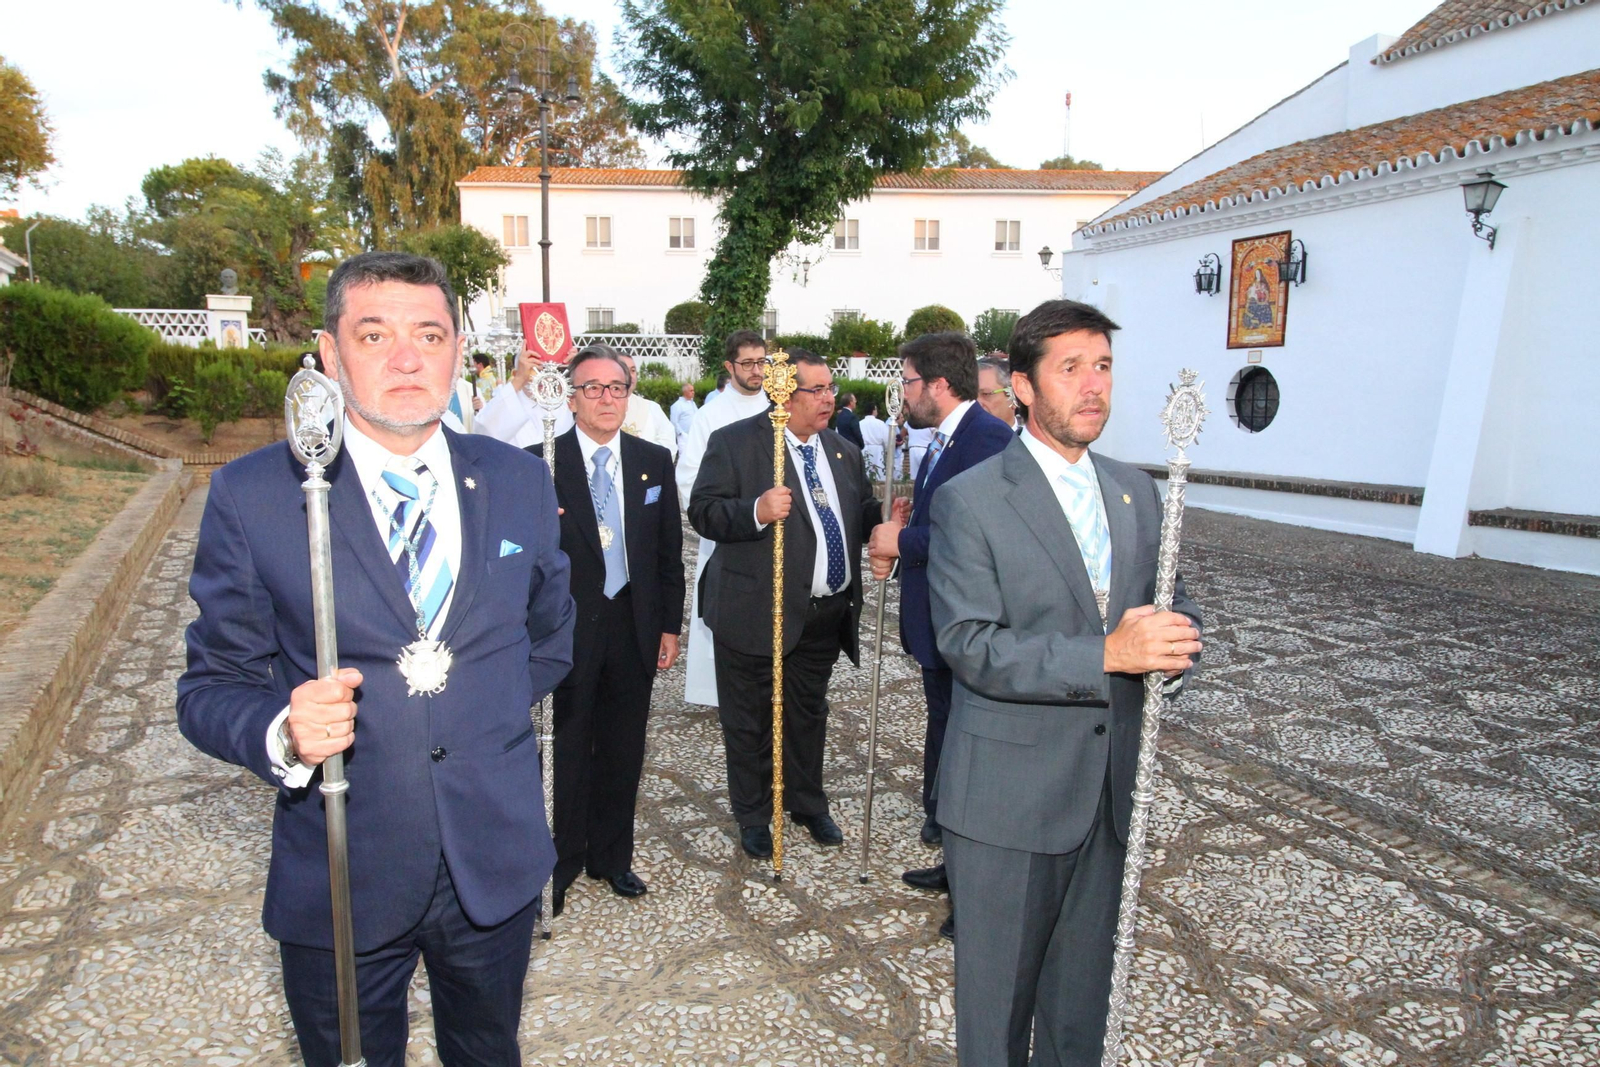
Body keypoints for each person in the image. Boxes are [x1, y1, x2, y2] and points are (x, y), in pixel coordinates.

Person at [176, 251, 575, 1067]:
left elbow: (549, 634)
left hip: (490, 857)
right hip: (342, 864)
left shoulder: (519, 480)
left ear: (459, 351)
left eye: (430, 333)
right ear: (329, 354)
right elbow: (211, 685)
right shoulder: (257, 495)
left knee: (489, 1051)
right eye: (374, 333)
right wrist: (285, 729)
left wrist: (473, 713)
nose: (406, 357)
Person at [927, 298, 1201, 1066]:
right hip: (1008, 803)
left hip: (1109, 798)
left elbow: (1175, 607)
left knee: (1081, 1012)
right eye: (1071, 368)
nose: (1093, 387)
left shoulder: (1139, 491)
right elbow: (970, 644)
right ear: (1021, 384)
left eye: (1104, 366)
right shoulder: (971, 500)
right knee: (998, 1015)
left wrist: (1175, 651)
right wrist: (1110, 654)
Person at [687, 348, 881, 858]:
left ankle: (806, 800)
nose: (828, 398)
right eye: (815, 390)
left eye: (830, 387)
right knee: (749, 720)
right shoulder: (737, 443)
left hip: (822, 613)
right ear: (782, 395)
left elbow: (856, 513)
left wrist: (886, 521)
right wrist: (755, 509)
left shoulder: (842, 449)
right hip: (755, 609)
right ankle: (753, 814)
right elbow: (703, 512)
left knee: (807, 713)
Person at [865, 331, 1014, 940]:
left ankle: (976, 891)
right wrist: (909, 523)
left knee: (974, 755)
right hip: (940, 625)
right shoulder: (944, 440)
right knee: (948, 739)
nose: (902, 395)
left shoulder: (986, 441)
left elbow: (977, 537)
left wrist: (903, 542)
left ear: (937, 385)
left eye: (906, 382)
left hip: (969, 624)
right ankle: (953, 859)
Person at [529, 347, 685, 919]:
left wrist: (670, 624)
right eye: (592, 388)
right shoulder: (540, 462)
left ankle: (612, 856)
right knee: (565, 750)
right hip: (566, 632)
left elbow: (669, 550)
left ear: (630, 394)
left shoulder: (653, 460)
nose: (605, 398)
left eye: (615, 388)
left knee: (624, 747)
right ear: (571, 398)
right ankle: (562, 860)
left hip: (634, 625)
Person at [674, 330, 773, 708]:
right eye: (747, 363)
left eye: (761, 361)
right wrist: (739, 511)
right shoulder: (710, 416)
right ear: (729, 366)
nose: (756, 371)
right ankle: (722, 693)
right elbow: (690, 478)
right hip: (730, 534)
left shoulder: (779, 406)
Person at [475, 349, 575, 447]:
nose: (540, 376)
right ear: (516, 374)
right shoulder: (508, 402)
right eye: (534, 370)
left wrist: (578, 367)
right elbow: (484, 433)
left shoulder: (564, 404)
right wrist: (519, 379)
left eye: (544, 370)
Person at [615, 352, 679, 458]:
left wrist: (641, 448)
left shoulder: (651, 408)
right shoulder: (601, 405)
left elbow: (669, 446)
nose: (630, 376)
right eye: (624, 370)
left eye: (633, 370)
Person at [976, 354, 1022, 431]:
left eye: (986, 394)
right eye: (969, 396)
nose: (975, 403)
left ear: (1014, 396)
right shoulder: (957, 440)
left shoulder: (1035, 441)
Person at [858, 401, 890, 482]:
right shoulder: (880, 423)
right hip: (878, 450)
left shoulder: (860, 423)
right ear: (873, 410)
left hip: (864, 449)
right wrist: (886, 450)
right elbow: (887, 439)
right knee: (879, 473)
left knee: (866, 471)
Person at [670, 381, 697, 447]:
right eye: (691, 390)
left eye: (693, 390)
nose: (693, 392)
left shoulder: (693, 403)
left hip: (694, 435)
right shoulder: (677, 405)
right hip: (684, 437)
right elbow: (674, 421)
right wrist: (681, 434)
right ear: (685, 392)